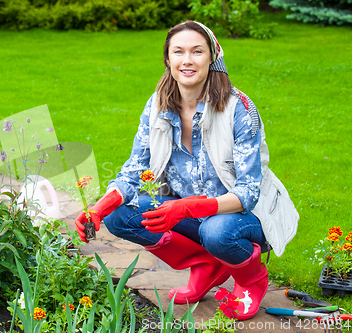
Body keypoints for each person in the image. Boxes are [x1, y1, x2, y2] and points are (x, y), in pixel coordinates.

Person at [75, 21, 298, 320]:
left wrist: (187, 207)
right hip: (189, 212)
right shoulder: (156, 106)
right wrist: (100, 208)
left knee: (215, 231)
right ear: (168, 59)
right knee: (120, 216)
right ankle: (207, 265)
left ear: (212, 57)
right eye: (178, 51)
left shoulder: (238, 108)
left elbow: (248, 192)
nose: (187, 60)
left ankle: (251, 280)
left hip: (245, 217)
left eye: (197, 51)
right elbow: (134, 169)